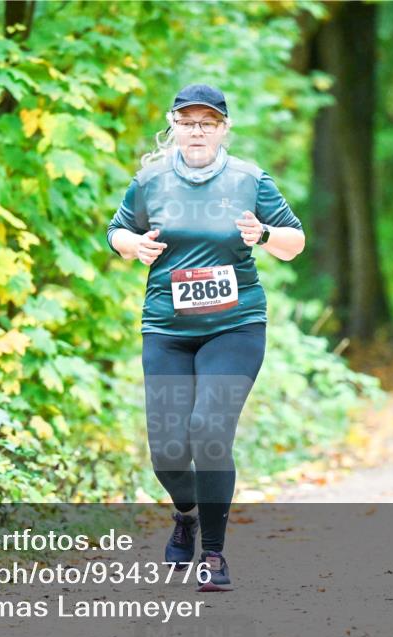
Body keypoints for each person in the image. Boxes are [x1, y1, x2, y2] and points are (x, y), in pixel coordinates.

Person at [106, 83, 305, 592]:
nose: (197, 131)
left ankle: (213, 555)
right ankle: (185, 513)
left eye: (208, 122)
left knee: (209, 432)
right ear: (173, 125)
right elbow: (117, 231)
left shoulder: (249, 180)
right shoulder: (150, 181)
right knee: (168, 452)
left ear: (223, 129)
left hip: (235, 326)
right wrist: (132, 246)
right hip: (167, 329)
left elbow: (294, 241)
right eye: (188, 121)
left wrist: (262, 234)